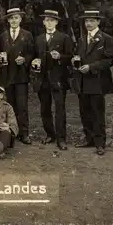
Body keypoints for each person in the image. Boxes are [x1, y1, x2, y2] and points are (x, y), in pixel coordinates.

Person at [71, 9, 113, 156]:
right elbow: (78, 55)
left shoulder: (106, 38)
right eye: (86, 21)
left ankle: (100, 143)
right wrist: (75, 61)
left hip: (97, 81)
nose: (88, 23)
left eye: (91, 21)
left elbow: (109, 60)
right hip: (82, 81)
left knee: (97, 113)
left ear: (98, 22)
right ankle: (89, 139)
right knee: (85, 112)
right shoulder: (82, 39)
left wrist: (91, 67)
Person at [31, 9, 73, 150]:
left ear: (56, 22)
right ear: (43, 22)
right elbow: (33, 57)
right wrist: (34, 62)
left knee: (60, 109)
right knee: (45, 109)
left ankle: (61, 139)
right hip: (42, 79)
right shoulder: (38, 39)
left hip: (58, 79)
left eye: (52, 20)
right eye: (46, 20)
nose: (49, 23)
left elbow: (71, 57)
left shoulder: (64, 37)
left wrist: (60, 57)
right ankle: (50, 134)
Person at [0, 7, 34, 144]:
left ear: (20, 19)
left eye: (16, 18)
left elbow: (32, 53)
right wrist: (0, 59)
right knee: (10, 106)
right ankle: (12, 132)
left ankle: (24, 133)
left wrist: (25, 59)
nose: (13, 20)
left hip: (21, 76)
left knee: (22, 106)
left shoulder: (27, 35)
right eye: (11, 18)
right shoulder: (3, 36)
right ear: (8, 20)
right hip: (7, 76)